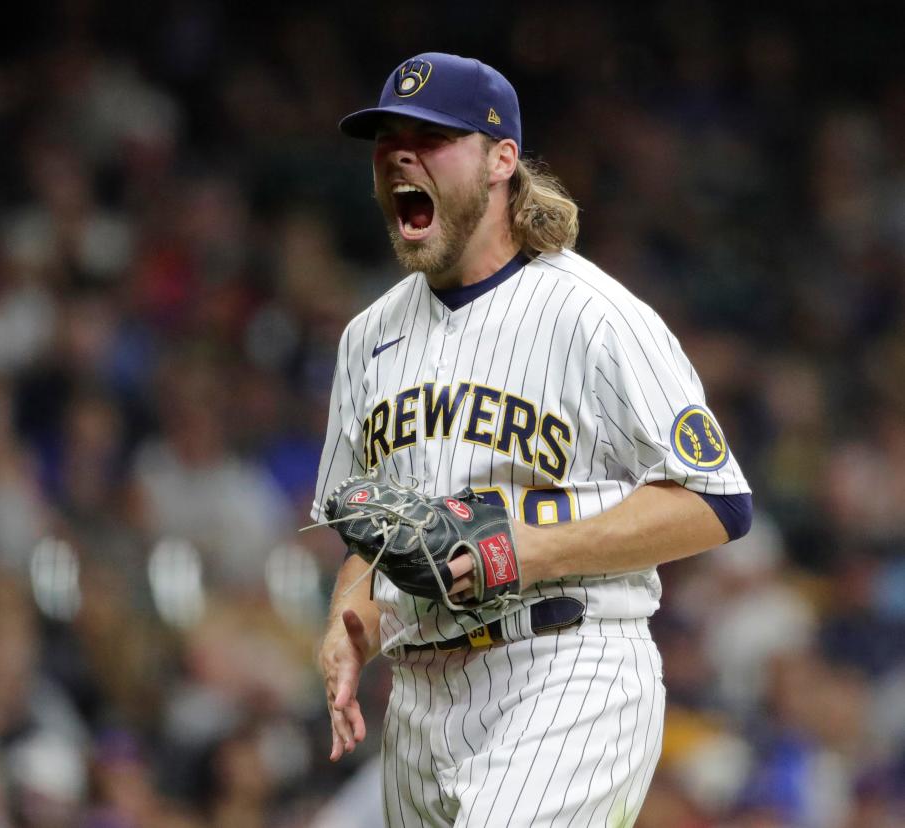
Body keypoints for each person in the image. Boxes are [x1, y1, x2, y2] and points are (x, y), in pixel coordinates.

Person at [313, 52, 752, 826]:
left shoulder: (594, 314)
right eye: (388, 139)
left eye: (432, 135)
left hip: (565, 667)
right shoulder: (366, 338)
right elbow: (367, 527)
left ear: (501, 160)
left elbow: (718, 501)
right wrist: (349, 627)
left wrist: (525, 550)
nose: (401, 155)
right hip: (418, 698)